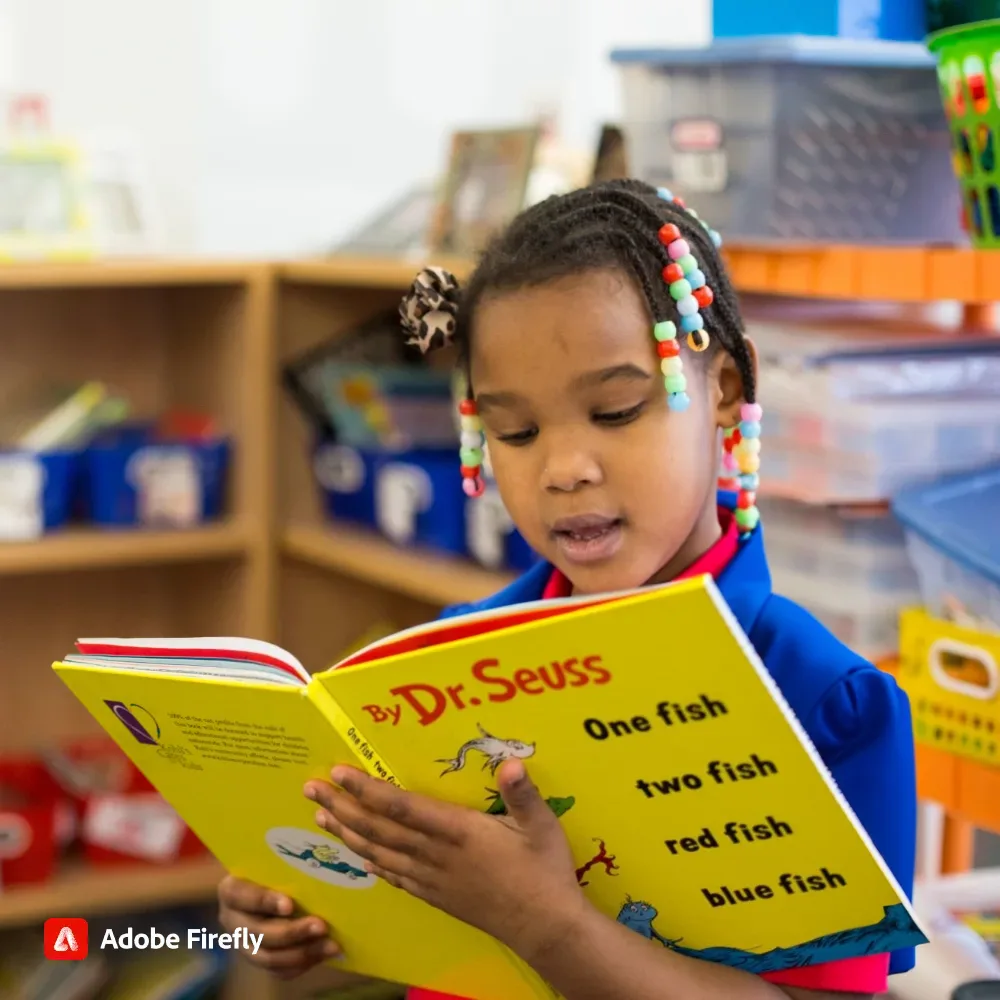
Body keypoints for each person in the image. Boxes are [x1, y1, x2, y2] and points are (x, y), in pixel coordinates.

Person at [217, 179, 918, 999]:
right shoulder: (447, 665)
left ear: (724, 391)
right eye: (515, 431)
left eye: (616, 411)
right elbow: (406, 908)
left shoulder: (831, 702)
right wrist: (308, 899)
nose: (564, 469)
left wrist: (545, 923)